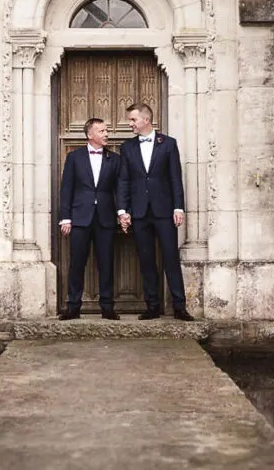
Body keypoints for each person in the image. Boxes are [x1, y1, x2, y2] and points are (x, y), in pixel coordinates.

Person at [115, 102, 194, 321]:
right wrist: (123, 210)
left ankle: (179, 306)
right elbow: (124, 180)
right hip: (139, 212)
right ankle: (152, 306)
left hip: (164, 211)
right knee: (146, 259)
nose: (130, 123)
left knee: (170, 258)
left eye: (133, 120)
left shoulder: (168, 144)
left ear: (146, 120)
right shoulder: (127, 147)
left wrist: (178, 207)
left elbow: (175, 178)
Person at [57, 117, 121, 320]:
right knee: (77, 262)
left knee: (106, 263)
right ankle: (73, 306)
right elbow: (66, 189)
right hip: (79, 218)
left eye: (106, 131)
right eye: (101, 131)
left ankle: (107, 307)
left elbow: (120, 190)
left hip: (106, 218)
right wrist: (65, 218)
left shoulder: (115, 159)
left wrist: (122, 212)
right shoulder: (74, 157)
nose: (106, 134)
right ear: (90, 134)